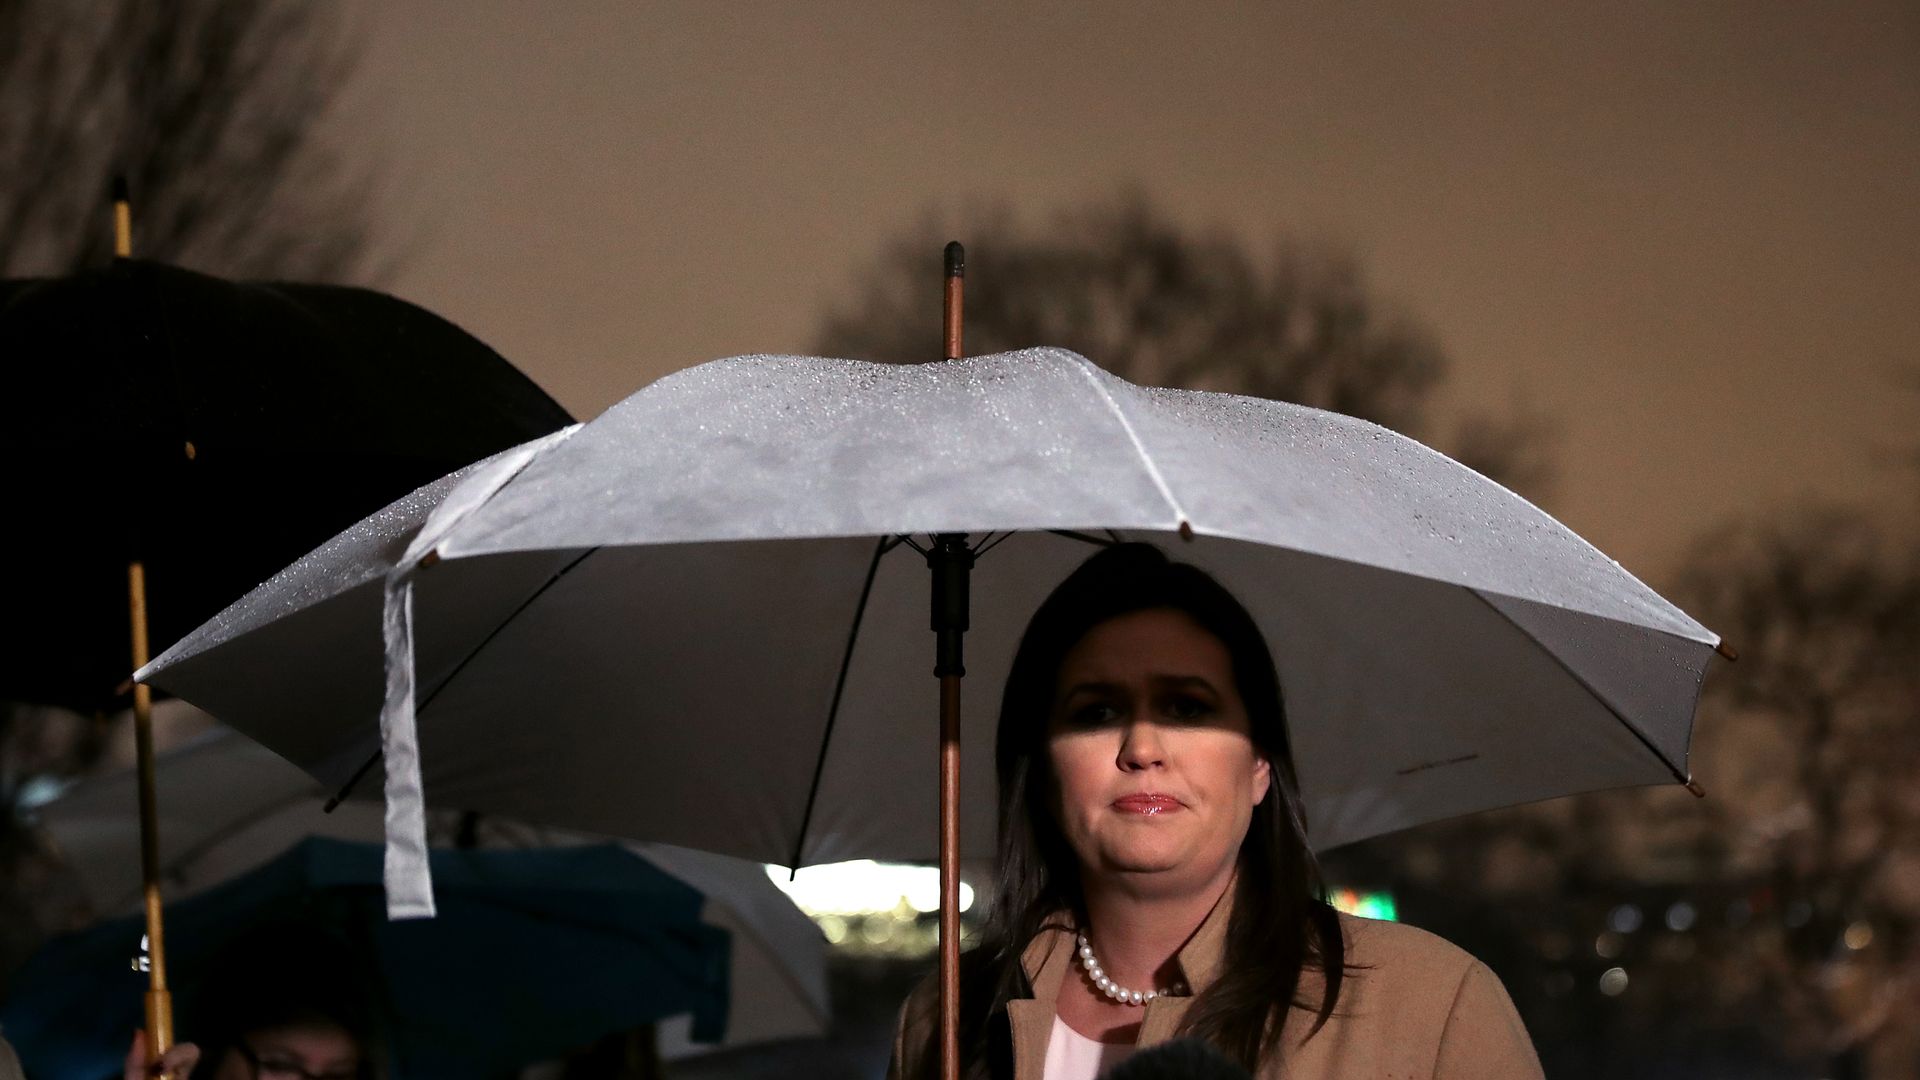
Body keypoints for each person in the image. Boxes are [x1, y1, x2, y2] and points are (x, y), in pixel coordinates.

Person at [891, 543, 1543, 1079]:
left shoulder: (1433, 1005)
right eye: (1096, 712)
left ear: (1260, 764)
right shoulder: (945, 1017)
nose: (1142, 748)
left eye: (1187, 707)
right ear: (1041, 768)